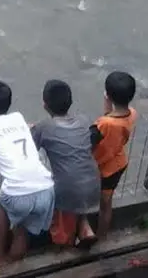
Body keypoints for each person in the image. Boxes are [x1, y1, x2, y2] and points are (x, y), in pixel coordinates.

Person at [0, 81, 54, 269]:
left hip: (17, 192)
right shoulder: (18, 118)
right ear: (10, 103)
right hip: (46, 188)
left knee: (3, 210)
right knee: (22, 230)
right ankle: (13, 263)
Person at [31, 80, 100, 249]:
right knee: (75, 183)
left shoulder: (44, 127)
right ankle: (85, 229)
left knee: (63, 225)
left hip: (67, 191)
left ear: (44, 104)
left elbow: (31, 148)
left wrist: (31, 129)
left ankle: (66, 246)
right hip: (93, 184)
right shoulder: (84, 120)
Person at [92, 71, 138, 239]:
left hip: (103, 169)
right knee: (107, 202)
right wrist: (108, 105)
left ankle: (94, 234)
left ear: (108, 95)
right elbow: (113, 124)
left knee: (100, 204)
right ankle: (102, 236)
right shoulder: (132, 113)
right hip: (118, 163)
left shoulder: (103, 125)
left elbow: (93, 139)